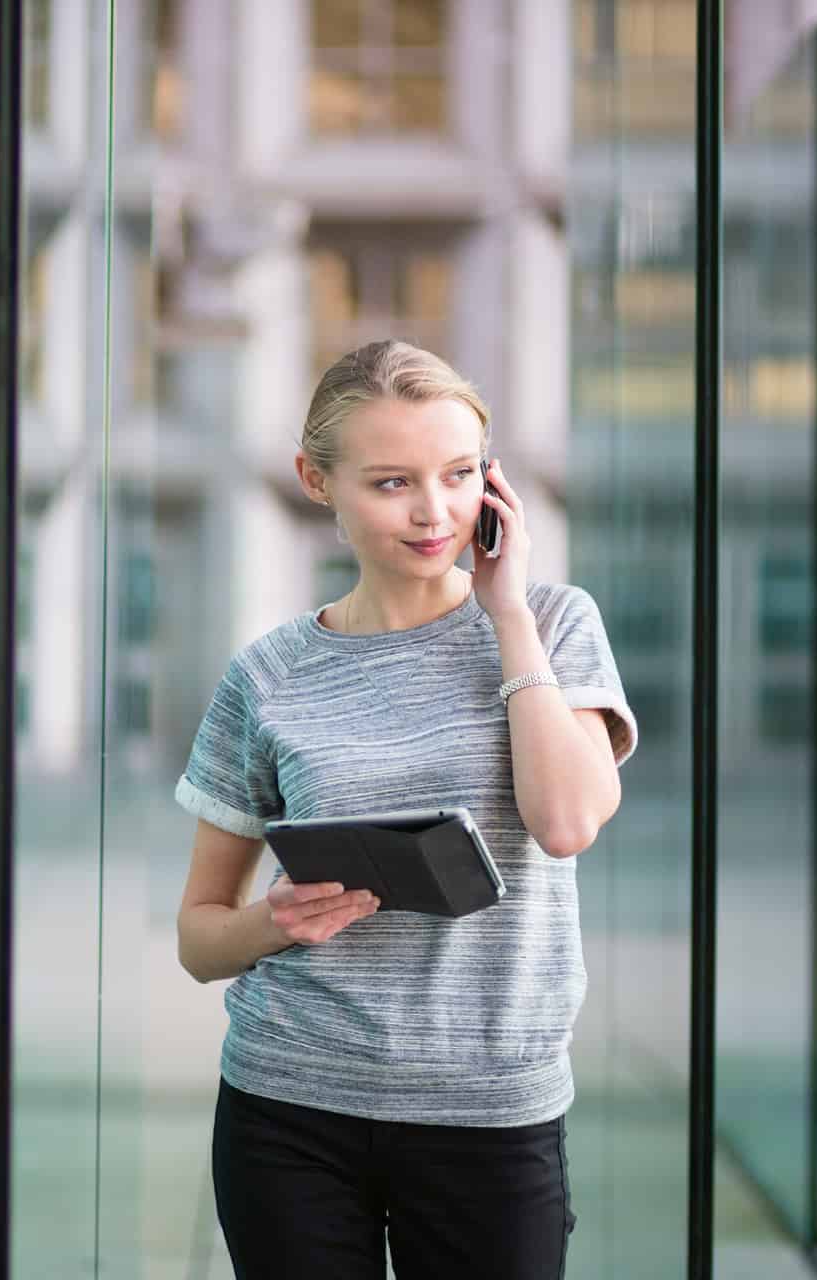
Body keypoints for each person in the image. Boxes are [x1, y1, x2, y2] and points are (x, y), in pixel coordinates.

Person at [174, 340, 637, 1279]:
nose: (436, 512)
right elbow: (199, 937)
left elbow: (568, 822)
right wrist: (274, 922)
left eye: (460, 474)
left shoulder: (553, 622)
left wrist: (507, 619)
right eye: (392, 483)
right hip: (289, 1107)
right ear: (317, 481)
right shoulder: (267, 675)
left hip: (489, 1114)